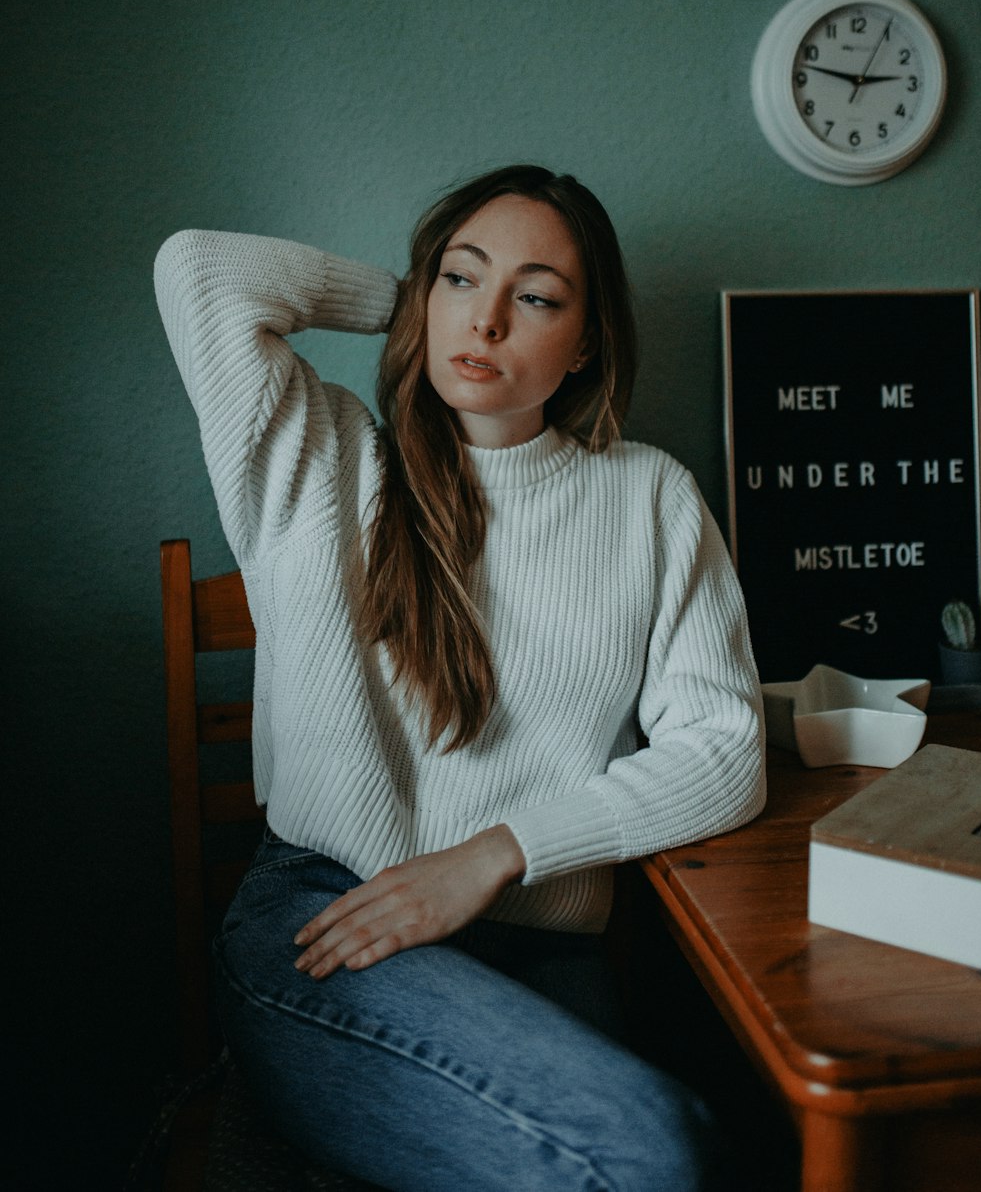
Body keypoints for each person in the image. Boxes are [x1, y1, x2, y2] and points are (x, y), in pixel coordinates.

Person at [154, 164, 766, 1191]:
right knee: (645, 1156)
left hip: (537, 945)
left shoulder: (648, 496)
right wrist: (408, 307)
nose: (483, 321)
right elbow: (201, 271)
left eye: (533, 299)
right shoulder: (325, 459)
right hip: (326, 920)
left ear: (585, 345)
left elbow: (727, 752)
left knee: (677, 1140)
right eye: (459, 278)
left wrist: (490, 856)